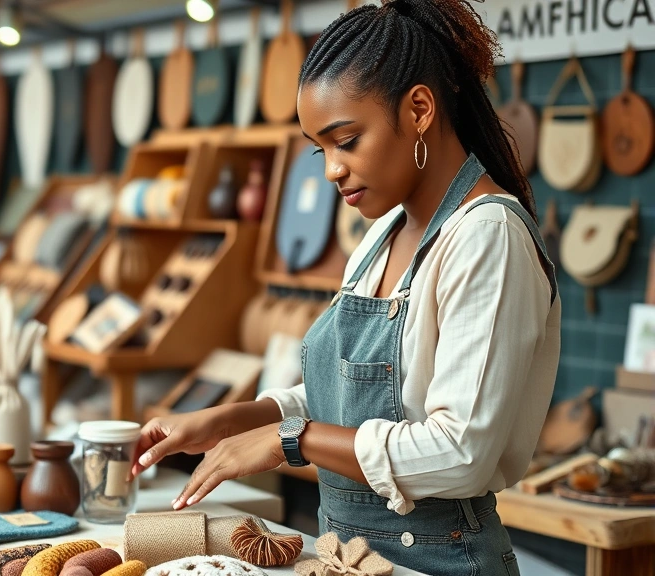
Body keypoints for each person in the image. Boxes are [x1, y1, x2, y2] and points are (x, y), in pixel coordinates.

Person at [130, 0, 560, 574]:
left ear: (420, 110)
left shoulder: (487, 235)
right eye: (321, 149)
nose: (331, 169)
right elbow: (349, 398)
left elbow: (462, 454)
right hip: (350, 559)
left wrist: (292, 441)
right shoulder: (383, 235)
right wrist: (231, 420)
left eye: (347, 140)